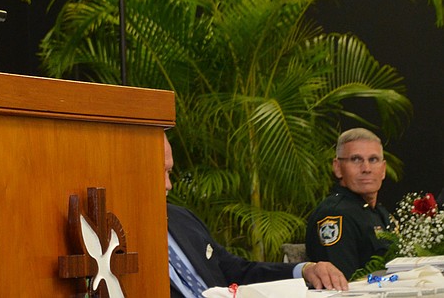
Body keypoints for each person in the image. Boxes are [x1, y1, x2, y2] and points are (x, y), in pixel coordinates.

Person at [163, 132, 348, 297]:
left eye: (169, 172)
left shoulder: (181, 219)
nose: (168, 185)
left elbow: (238, 271)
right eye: (159, 171)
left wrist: (305, 270)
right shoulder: (134, 242)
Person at [306, 127, 393, 279]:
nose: (366, 169)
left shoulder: (379, 212)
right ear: (338, 168)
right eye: (356, 159)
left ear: (383, 169)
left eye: (373, 160)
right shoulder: (335, 215)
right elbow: (343, 284)